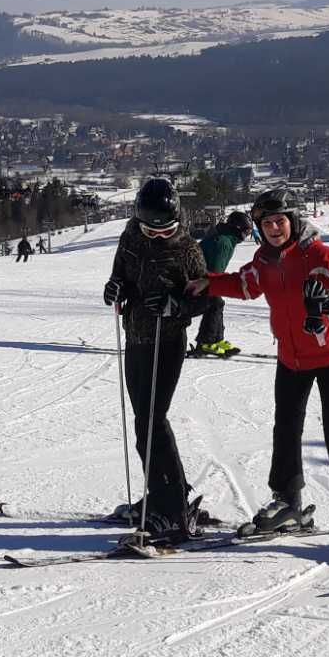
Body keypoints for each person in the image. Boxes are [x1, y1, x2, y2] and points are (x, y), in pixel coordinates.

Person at [194, 188, 329, 583]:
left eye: (280, 221)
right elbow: (244, 285)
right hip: (291, 359)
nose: (275, 229)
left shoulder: (318, 255)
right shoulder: (263, 260)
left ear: (292, 221)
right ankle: (288, 502)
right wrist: (205, 284)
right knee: (286, 430)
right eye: (267, 224)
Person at [102, 178, 208, 543]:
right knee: (143, 420)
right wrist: (114, 289)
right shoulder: (130, 238)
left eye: (166, 230)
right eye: (151, 230)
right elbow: (120, 277)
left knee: (152, 420)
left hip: (169, 340)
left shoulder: (188, 249)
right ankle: (165, 494)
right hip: (137, 336)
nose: (158, 237)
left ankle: (169, 508)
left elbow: (208, 297)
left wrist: (175, 306)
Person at [188, 210, 251, 358]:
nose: (246, 235)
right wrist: (216, 285)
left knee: (217, 301)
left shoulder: (225, 238)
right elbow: (214, 273)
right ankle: (207, 342)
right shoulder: (223, 242)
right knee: (215, 302)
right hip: (192, 282)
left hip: (197, 279)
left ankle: (216, 339)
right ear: (237, 228)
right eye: (246, 231)